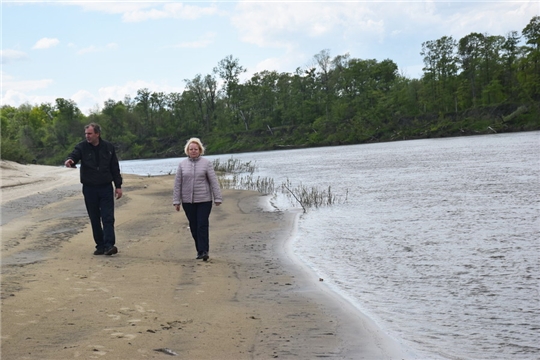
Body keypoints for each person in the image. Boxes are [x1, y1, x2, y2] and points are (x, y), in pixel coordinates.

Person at [65, 123, 123, 256]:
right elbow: (74, 155)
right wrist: (70, 160)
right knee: (94, 217)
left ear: (97, 134)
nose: (87, 136)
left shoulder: (108, 147)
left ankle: (109, 245)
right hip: (89, 188)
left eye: (90, 134)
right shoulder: (82, 147)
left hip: (106, 187)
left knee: (108, 217)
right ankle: (100, 245)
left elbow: (115, 167)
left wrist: (118, 186)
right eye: (86, 134)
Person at [173, 137, 222, 261]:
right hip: (188, 201)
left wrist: (218, 197)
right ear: (187, 151)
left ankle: (205, 250)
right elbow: (177, 184)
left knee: (202, 225)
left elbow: (213, 182)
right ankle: (199, 251)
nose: (193, 151)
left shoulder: (206, 163)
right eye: (191, 149)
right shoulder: (182, 165)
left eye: (196, 149)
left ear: (200, 150)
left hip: (204, 200)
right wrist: (176, 201)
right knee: (194, 226)